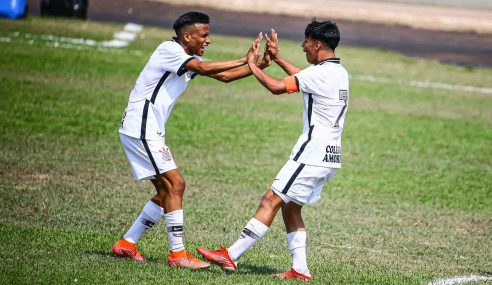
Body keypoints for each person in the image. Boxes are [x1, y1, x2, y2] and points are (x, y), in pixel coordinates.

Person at [113, 11, 270, 269]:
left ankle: (127, 244)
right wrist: (245, 58)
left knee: (166, 192)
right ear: (187, 36)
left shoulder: (187, 57)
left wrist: (259, 65)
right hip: (141, 128)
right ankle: (177, 255)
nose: (208, 40)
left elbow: (224, 77)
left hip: (145, 129)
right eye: (204, 35)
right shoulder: (169, 50)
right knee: (176, 185)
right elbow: (205, 68)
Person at [196, 20, 349, 280]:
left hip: (311, 155)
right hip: (330, 156)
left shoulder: (320, 74)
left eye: (306, 42)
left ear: (317, 44)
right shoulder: (337, 72)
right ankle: (300, 269)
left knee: (271, 199)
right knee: (290, 207)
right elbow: (303, 77)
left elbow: (278, 87)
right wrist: (277, 58)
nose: (303, 47)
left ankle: (230, 255)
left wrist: (254, 65)